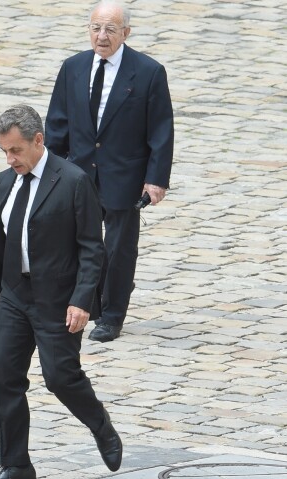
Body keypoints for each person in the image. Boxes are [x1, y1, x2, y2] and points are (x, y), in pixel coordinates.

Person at [0, 105, 122, 479]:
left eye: (16, 150)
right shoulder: (4, 182)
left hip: (57, 300)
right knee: (2, 376)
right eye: (4, 151)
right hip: (14, 295)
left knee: (60, 377)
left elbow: (92, 248)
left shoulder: (72, 181)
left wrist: (82, 300)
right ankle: (16, 466)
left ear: (38, 141)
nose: (10, 159)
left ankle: (100, 424)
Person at [45, 0, 174, 342]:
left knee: (118, 249)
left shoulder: (148, 72)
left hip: (124, 175)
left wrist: (156, 179)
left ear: (126, 33)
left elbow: (161, 130)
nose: (101, 36)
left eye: (110, 30)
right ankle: (89, 307)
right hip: (79, 173)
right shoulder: (72, 67)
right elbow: (57, 123)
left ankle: (112, 316)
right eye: (96, 28)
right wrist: (49, 170)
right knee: (77, 243)